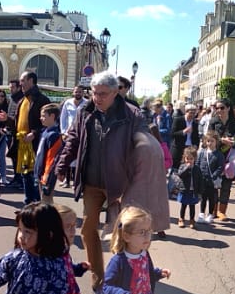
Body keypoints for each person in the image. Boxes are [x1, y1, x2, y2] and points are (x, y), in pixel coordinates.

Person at [55, 71, 144, 279]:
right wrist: (61, 165)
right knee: (87, 229)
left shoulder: (131, 114)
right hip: (91, 182)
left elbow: (143, 145)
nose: (97, 98)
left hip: (120, 184)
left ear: (115, 93)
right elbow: (73, 139)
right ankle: (97, 273)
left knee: (120, 232)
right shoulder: (85, 112)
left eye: (103, 94)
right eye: (94, 93)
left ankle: (121, 274)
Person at [15, 72, 52, 201]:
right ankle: (28, 203)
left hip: (36, 145)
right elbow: (19, 122)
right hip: (23, 144)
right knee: (25, 174)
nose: (21, 83)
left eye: (23, 80)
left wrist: (35, 133)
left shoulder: (42, 100)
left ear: (31, 81)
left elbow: (50, 123)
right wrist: (7, 120)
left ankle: (37, 205)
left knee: (35, 175)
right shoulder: (22, 100)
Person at [33, 105, 64, 204]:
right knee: (43, 199)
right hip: (40, 171)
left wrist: (47, 176)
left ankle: (49, 219)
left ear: (52, 116)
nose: (41, 118)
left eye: (43, 115)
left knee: (46, 200)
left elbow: (52, 159)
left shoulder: (54, 135)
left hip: (47, 174)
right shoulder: (45, 131)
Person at [175, 147, 202, 228]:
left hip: (193, 191)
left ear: (195, 159)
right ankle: (181, 219)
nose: (189, 161)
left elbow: (200, 180)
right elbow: (180, 174)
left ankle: (192, 220)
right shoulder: (183, 166)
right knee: (183, 206)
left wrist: (200, 191)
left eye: (191, 159)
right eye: (187, 158)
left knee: (192, 206)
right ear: (184, 158)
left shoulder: (197, 168)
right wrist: (187, 168)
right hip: (184, 190)